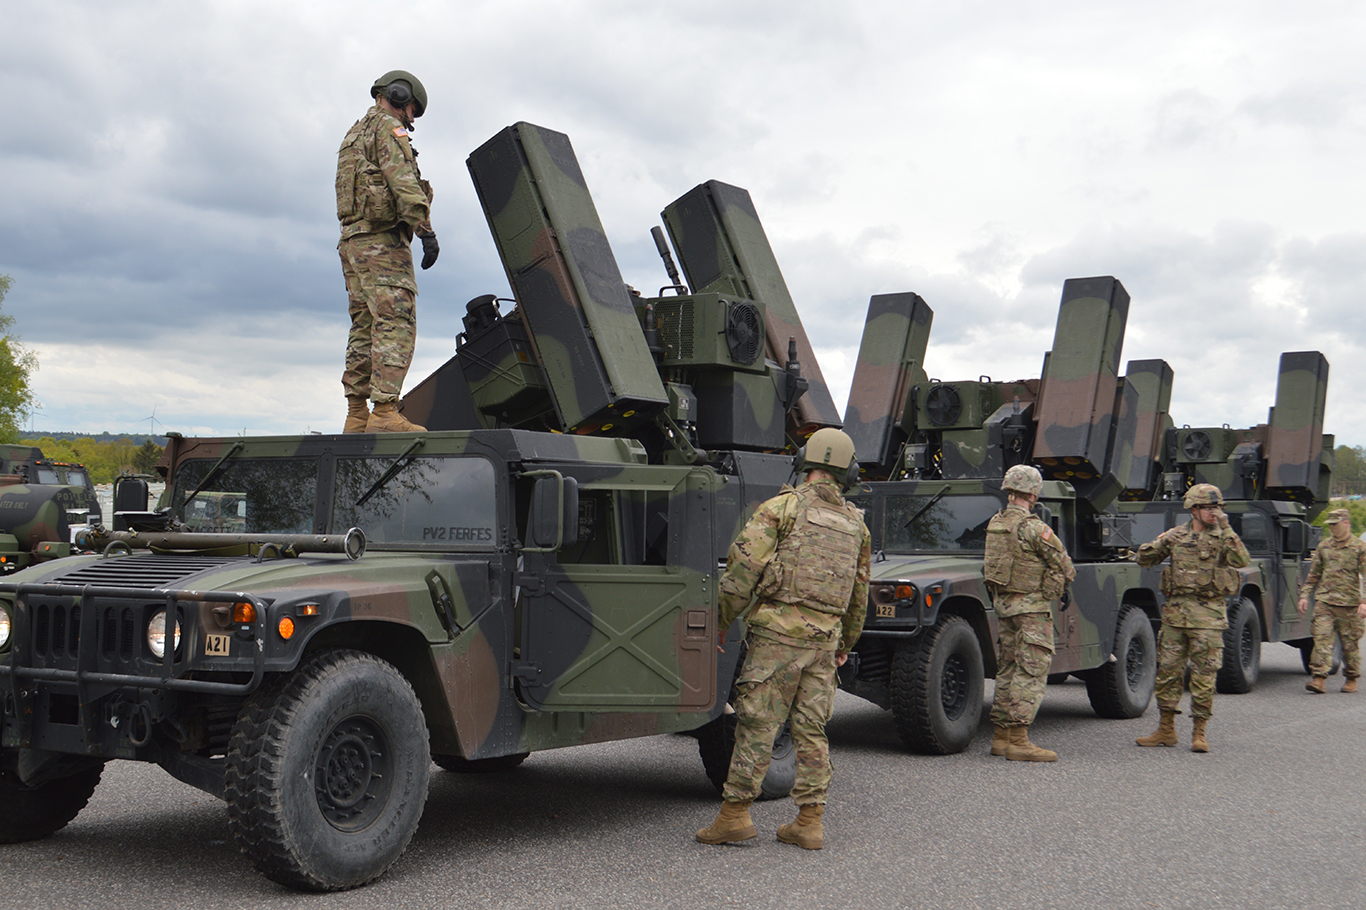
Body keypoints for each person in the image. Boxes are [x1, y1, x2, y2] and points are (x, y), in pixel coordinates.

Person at [695, 428, 871, 851]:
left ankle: (735, 817)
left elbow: (742, 571)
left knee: (758, 723)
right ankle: (809, 822)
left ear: (804, 462)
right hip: (825, 640)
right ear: (847, 472)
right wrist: (846, 641)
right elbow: (859, 592)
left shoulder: (781, 508)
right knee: (812, 728)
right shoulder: (856, 525)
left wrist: (720, 621)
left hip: (778, 637)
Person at [336, 70, 439, 434]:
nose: (411, 118)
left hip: (352, 243)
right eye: (412, 108)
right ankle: (383, 414)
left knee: (363, 325)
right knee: (395, 321)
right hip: (382, 244)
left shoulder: (355, 132)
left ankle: (356, 414)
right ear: (397, 95)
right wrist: (425, 230)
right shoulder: (387, 129)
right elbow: (402, 181)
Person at [1135, 483, 1250, 752]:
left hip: (1208, 619)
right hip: (1176, 617)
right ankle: (1166, 730)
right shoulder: (1177, 535)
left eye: (1218, 507)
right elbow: (1143, 558)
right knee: (1167, 675)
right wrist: (1163, 541)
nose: (1215, 513)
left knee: (1203, 677)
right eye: (1210, 508)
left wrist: (1227, 527)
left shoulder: (1223, 536)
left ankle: (1199, 732)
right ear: (1194, 509)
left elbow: (1242, 559)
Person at [983, 463, 1076, 762]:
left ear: (1010, 490)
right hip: (1031, 609)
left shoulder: (995, 523)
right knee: (1031, 670)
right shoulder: (1034, 527)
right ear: (1033, 494)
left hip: (1005, 606)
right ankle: (1020, 740)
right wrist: (1057, 584)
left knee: (1008, 668)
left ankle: (1000, 737)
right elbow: (1065, 566)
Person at [1297, 508, 1366, 694]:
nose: (1332, 528)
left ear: (1346, 523)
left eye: (1335, 524)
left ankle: (1351, 677)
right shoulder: (1324, 546)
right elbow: (1314, 573)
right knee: (1321, 639)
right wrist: (1304, 595)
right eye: (1330, 525)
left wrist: (1364, 602)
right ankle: (1319, 678)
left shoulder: (1360, 547)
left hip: (1350, 605)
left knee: (1349, 644)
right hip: (1325, 602)